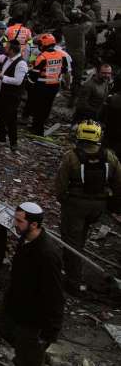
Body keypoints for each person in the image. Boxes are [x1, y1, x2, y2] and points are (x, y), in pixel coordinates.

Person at [0, 202, 64, 366]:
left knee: (30, 349)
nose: (15, 224)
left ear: (34, 225)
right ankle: (28, 354)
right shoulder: (26, 239)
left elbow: (55, 295)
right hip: (17, 302)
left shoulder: (47, 254)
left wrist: (51, 330)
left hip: (34, 314)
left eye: (19, 221)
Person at [54, 120, 121, 296]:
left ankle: (73, 282)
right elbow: (118, 183)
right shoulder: (110, 156)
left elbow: (60, 185)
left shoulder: (71, 156)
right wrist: (111, 204)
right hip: (98, 206)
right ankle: (75, 264)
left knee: (71, 242)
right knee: (80, 235)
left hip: (75, 205)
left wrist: (64, 200)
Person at [28, 33, 70, 136]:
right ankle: (40, 127)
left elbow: (34, 75)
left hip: (41, 86)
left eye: (40, 44)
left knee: (38, 107)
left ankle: (36, 128)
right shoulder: (62, 55)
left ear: (44, 44)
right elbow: (65, 71)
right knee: (47, 107)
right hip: (54, 86)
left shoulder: (42, 57)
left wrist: (29, 78)